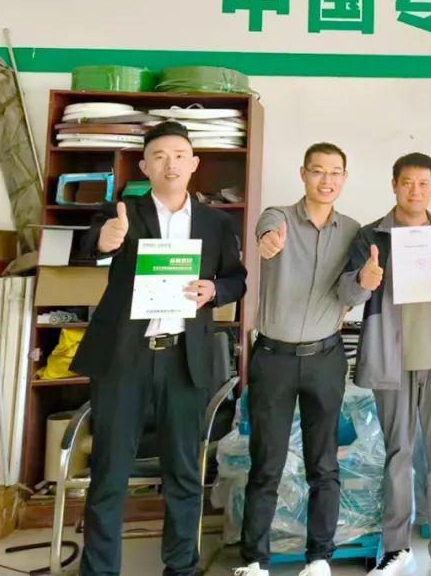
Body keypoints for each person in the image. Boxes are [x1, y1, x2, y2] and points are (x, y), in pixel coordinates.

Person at [73, 121, 246, 576]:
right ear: (145, 166)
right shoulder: (123, 211)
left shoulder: (215, 222)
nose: (171, 164)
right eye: (160, 156)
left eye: (179, 155)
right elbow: (92, 243)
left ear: (194, 164)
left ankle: (181, 568)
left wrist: (215, 290)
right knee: (110, 472)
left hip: (183, 360)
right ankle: (100, 571)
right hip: (123, 359)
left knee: (185, 474)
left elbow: (237, 279)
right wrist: (107, 240)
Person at [340, 153, 431, 576]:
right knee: (397, 455)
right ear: (394, 185)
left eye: (423, 183)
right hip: (392, 361)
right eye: (407, 183)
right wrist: (363, 280)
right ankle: (397, 549)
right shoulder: (370, 236)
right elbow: (348, 294)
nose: (415, 191)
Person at [235, 143, 361, 576]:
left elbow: (350, 292)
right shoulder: (279, 217)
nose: (327, 180)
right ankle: (254, 560)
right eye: (318, 171)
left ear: (344, 178)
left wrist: (365, 282)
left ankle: (319, 557)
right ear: (303, 173)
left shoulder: (353, 231)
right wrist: (268, 242)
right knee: (266, 463)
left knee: (323, 465)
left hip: (325, 357)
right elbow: (266, 233)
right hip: (274, 358)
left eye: (335, 172)